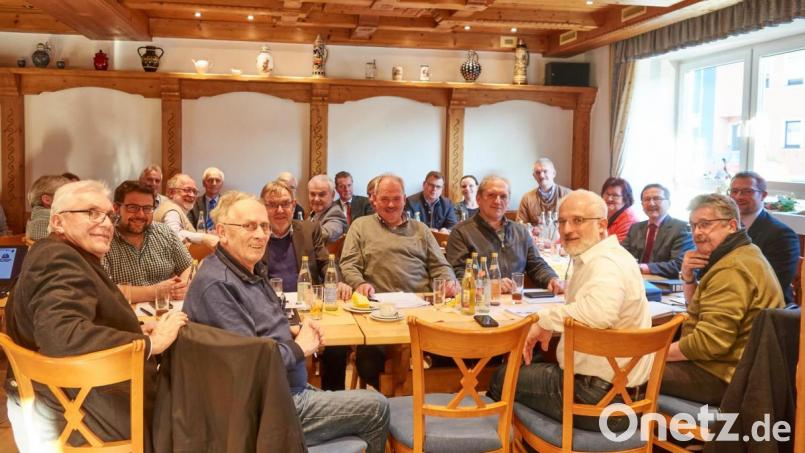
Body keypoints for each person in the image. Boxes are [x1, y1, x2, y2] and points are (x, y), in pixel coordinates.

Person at [182, 191, 390, 452]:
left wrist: (289, 330)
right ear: (222, 232)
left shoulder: (248, 269)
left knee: (358, 402)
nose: (260, 234)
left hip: (285, 388)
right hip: (269, 407)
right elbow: (248, 365)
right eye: (249, 226)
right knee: (377, 406)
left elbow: (255, 332)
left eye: (264, 226)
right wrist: (299, 347)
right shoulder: (218, 285)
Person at [4, 180, 187, 452]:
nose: (105, 223)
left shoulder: (58, 252)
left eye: (108, 215)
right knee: (193, 403)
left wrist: (136, 329)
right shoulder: (59, 260)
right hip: (77, 411)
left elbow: (78, 319)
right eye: (91, 213)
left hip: (62, 397)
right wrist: (150, 343)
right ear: (57, 221)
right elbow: (62, 336)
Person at [488, 189, 652, 432]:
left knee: (502, 378)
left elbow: (598, 313)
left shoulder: (604, 263)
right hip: (625, 396)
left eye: (578, 221)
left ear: (602, 225)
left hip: (602, 401)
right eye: (562, 221)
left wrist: (543, 320)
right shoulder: (612, 255)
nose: (566, 230)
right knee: (532, 364)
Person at [662, 194, 784, 405]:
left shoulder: (731, 268)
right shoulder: (745, 252)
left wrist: (651, 353)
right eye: (693, 226)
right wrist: (688, 278)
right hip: (730, 368)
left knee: (631, 366)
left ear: (731, 225)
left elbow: (708, 344)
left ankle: (623, 430)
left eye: (705, 224)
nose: (697, 232)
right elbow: (698, 314)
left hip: (724, 377)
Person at [341, 174, 456, 387]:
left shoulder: (421, 230)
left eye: (396, 198)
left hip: (423, 311)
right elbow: (349, 264)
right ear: (373, 200)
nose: (391, 204)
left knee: (454, 352)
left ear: (405, 199)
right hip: (378, 313)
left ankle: (428, 394)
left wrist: (448, 282)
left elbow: (440, 265)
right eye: (384, 199)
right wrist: (359, 283)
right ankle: (399, 397)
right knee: (368, 363)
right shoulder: (360, 226)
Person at [261, 180, 351, 390]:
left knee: (336, 346)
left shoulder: (309, 229)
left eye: (285, 204)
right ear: (263, 207)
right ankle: (290, 398)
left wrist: (337, 283)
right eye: (273, 205)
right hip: (272, 310)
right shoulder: (256, 234)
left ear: (294, 205)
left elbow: (324, 263)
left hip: (309, 306)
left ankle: (332, 402)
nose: (280, 210)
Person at [446, 175, 562, 294]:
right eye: (491, 195)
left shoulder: (520, 231)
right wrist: (487, 285)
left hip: (515, 302)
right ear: (478, 199)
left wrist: (551, 279)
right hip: (480, 303)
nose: (498, 201)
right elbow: (456, 274)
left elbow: (536, 265)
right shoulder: (461, 232)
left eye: (503, 196)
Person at [103, 180, 193, 303]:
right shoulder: (103, 239)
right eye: (133, 207)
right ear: (116, 208)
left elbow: (188, 266)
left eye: (147, 208)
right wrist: (157, 291)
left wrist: (182, 286)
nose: (140, 215)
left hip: (168, 313)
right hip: (126, 317)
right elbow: (105, 291)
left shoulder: (165, 233)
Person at [729, 172, 800, 306]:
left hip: (765, 312)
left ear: (763, 195)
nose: (738, 197)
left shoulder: (782, 235)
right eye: (734, 191)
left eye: (747, 191)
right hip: (727, 300)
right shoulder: (724, 227)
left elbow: (772, 284)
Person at [622, 184, 694, 278]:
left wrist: (642, 268)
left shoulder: (681, 228)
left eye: (657, 198)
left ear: (668, 203)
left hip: (664, 285)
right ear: (642, 205)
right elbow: (622, 254)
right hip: (635, 280)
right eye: (647, 199)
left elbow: (679, 265)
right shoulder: (635, 228)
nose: (651, 203)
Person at [154, 173, 219, 248]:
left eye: (194, 192)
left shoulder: (174, 208)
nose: (192, 195)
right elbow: (174, 234)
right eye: (187, 190)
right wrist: (204, 238)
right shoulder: (171, 211)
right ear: (171, 192)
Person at [517, 157, 571, 226]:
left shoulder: (569, 195)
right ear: (534, 176)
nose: (541, 176)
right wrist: (533, 229)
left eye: (545, 171)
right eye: (538, 172)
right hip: (536, 237)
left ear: (554, 173)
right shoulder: (527, 199)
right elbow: (520, 225)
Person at [25, 174, 69, 241]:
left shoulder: (36, 216)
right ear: (47, 200)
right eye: (67, 195)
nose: (73, 199)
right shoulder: (47, 222)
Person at [307, 174, 348, 243]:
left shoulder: (336, 213)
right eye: (312, 194)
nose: (316, 199)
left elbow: (325, 234)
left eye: (321, 194)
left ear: (333, 195)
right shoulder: (315, 213)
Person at [601, 176, 638, 243]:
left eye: (615, 195)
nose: (609, 199)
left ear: (625, 199)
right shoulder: (601, 212)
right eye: (607, 194)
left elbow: (615, 247)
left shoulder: (629, 220)